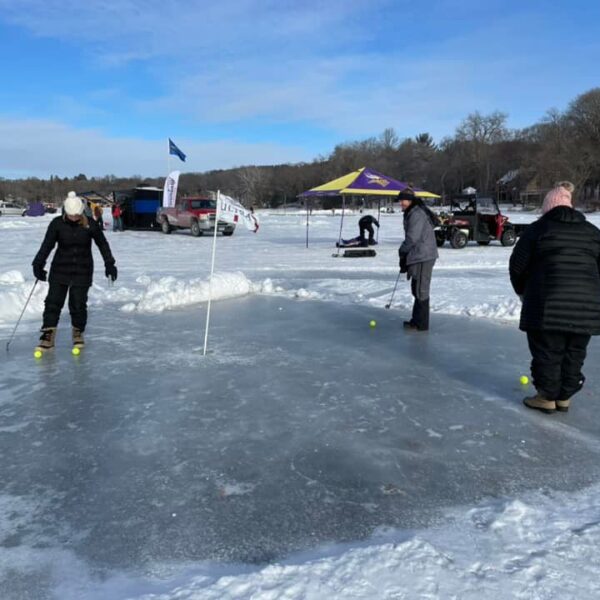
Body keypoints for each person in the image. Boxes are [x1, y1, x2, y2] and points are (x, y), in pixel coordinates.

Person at [509, 183, 600, 414]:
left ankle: (547, 396)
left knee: (548, 350)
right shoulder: (592, 232)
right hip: (587, 307)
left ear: (548, 206)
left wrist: (523, 291)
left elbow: (517, 266)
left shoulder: (538, 229)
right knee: (574, 351)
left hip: (546, 304)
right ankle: (564, 396)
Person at [32, 191, 118, 352]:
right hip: (59, 270)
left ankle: (78, 332)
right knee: (52, 303)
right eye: (70, 214)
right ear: (65, 211)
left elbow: (103, 244)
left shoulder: (90, 224)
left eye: (76, 214)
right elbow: (47, 245)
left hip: (83, 270)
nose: (73, 217)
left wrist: (109, 264)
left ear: (81, 212)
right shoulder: (57, 224)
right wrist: (38, 264)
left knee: (78, 304)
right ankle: (48, 334)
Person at [398, 190, 439, 331]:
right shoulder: (413, 212)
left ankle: (421, 324)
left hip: (424, 256)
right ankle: (416, 321)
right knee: (416, 288)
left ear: (410, 201)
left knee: (421, 289)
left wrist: (402, 252)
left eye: (403, 200)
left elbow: (412, 238)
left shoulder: (416, 214)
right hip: (419, 255)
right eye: (400, 200)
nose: (400, 203)